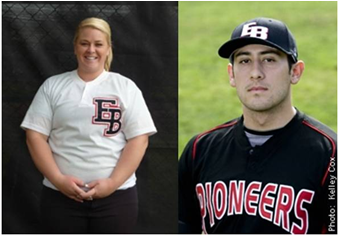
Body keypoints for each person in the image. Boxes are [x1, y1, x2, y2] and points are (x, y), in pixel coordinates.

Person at [178, 17, 337, 234]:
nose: (256, 72)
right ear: (231, 74)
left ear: (295, 72)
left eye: (269, 59)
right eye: (244, 61)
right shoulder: (200, 149)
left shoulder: (329, 154)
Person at [21, 17, 157, 234]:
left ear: (108, 48)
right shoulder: (53, 86)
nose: (91, 49)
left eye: (98, 44)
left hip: (117, 198)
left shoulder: (125, 87)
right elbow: (34, 135)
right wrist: (58, 180)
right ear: (75, 46)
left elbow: (139, 139)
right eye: (84, 43)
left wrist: (112, 183)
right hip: (59, 198)